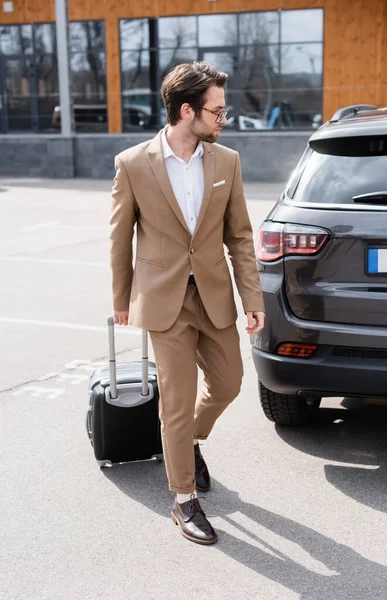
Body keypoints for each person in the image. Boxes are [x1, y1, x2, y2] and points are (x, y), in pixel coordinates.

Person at [110, 61, 265, 545]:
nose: (225, 119)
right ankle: (182, 500)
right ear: (186, 111)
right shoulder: (133, 164)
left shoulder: (226, 161)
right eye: (217, 111)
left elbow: (239, 236)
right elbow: (119, 239)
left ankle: (189, 442)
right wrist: (121, 301)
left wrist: (252, 297)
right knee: (175, 401)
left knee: (229, 384)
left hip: (214, 294)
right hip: (164, 301)